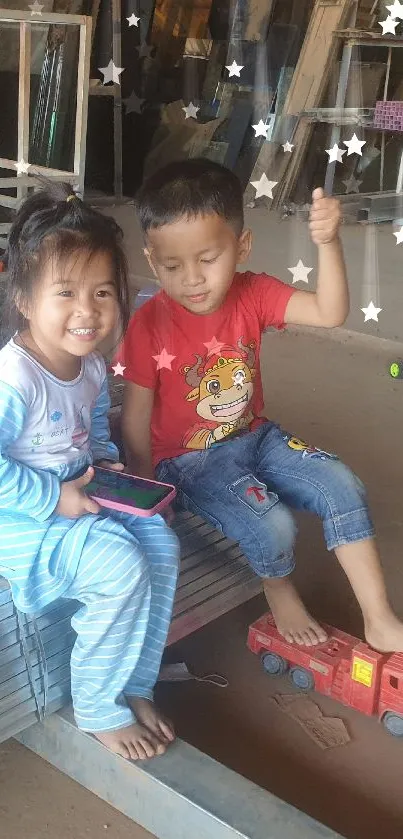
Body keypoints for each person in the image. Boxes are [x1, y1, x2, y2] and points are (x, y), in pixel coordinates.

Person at [119, 157, 403, 653]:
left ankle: (379, 618)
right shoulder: (148, 325)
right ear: (150, 258)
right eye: (171, 265)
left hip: (256, 435)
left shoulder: (253, 293)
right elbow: (136, 415)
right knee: (274, 522)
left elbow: (331, 312)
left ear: (242, 246)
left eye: (208, 259)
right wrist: (150, 496)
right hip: (188, 462)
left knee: (342, 483)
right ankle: (278, 586)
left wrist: (328, 243)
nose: (192, 279)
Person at [0, 182, 180, 761]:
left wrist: (110, 471)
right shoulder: (14, 378)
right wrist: (55, 499)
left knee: (161, 543)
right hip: (24, 520)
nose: (88, 311)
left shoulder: (94, 367)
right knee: (120, 564)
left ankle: (132, 683)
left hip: (81, 493)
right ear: (24, 298)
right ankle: (99, 705)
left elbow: (94, 431)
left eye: (103, 292)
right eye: (66, 292)